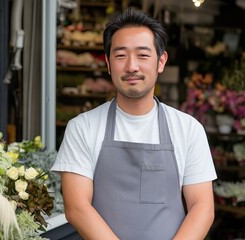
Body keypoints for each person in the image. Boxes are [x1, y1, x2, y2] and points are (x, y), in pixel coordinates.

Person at [51, 8, 217, 240]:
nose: (131, 67)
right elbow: (77, 208)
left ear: (161, 61)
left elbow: (202, 207)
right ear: (108, 63)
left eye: (142, 55)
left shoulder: (188, 129)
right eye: (121, 55)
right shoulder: (83, 127)